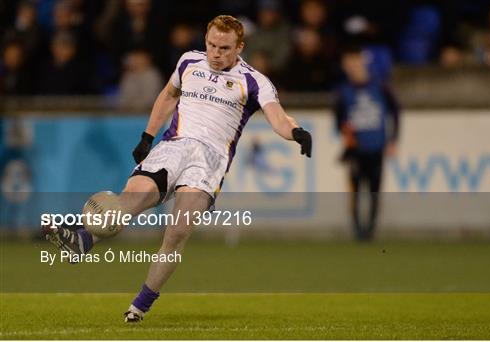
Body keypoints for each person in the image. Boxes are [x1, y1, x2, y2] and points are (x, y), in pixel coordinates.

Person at [43, 15, 312, 322]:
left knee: (177, 231)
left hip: (209, 161)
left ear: (240, 47)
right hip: (173, 147)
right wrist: (147, 136)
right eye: (211, 44)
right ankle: (83, 239)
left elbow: (278, 117)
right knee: (131, 199)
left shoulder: (254, 81)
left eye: (224, 48)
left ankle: (140, 304)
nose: (216, 53)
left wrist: (296, 132)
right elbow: (169, 95)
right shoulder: (188, 62)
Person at [335, 46, 399, 241]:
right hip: (356, 149)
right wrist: (347, 136)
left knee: (374, 190)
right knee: (355, 190)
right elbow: (339, 120)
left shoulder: (380, 87)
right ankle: (357, 230)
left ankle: (370, 230)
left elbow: (395, 113)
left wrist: (393, 139)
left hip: (376, 147)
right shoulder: (344, 92)